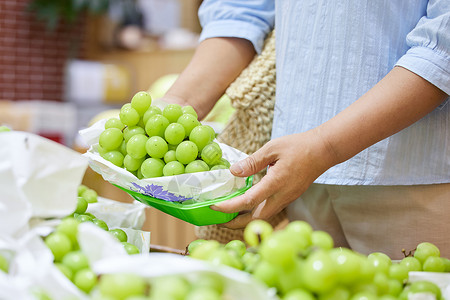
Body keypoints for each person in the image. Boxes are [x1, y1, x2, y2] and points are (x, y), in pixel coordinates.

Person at [161, 1, 449, 259]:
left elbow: (442, 42)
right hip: (302, 177)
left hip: (412, 174)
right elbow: (240, 8)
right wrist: (180, 104)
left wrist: (325, 145)